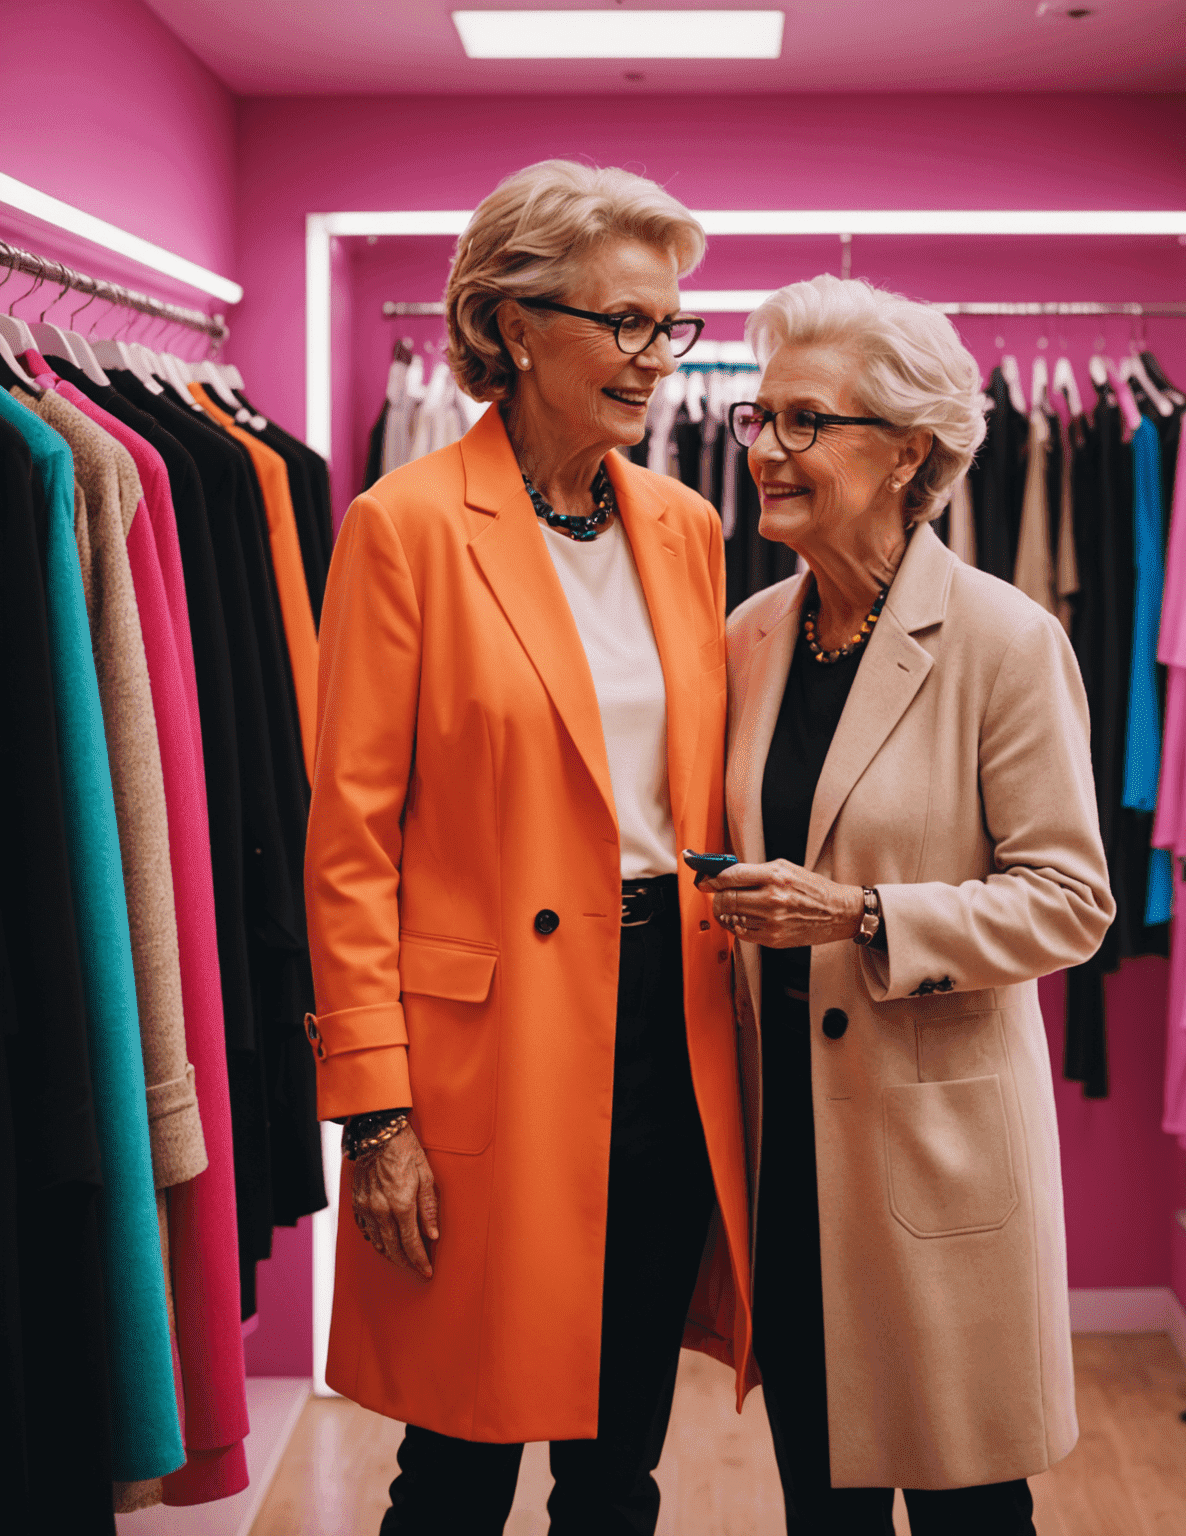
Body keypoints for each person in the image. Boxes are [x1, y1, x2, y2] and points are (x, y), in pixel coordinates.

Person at [303, 160, 752, 1535]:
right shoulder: (407, 527)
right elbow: (349, 844)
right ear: (507, 325)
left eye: (666, 326)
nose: (652, 357)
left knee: (617, 1463)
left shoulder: (686, 528)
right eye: (621, 321)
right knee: (454, 1468)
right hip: (482, 1061)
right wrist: (376, 1115)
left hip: (669, 1035)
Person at [701, 275, 1116, 1535]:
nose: (768, 451)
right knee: (819, 1506)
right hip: (788, 1160)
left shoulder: (1004, 639)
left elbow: (1070, 903)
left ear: (909, 455)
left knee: (969, 1511)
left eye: (806, 422)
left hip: (934, 1158)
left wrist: (867, 915)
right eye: (759, 419)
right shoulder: (746, 636)